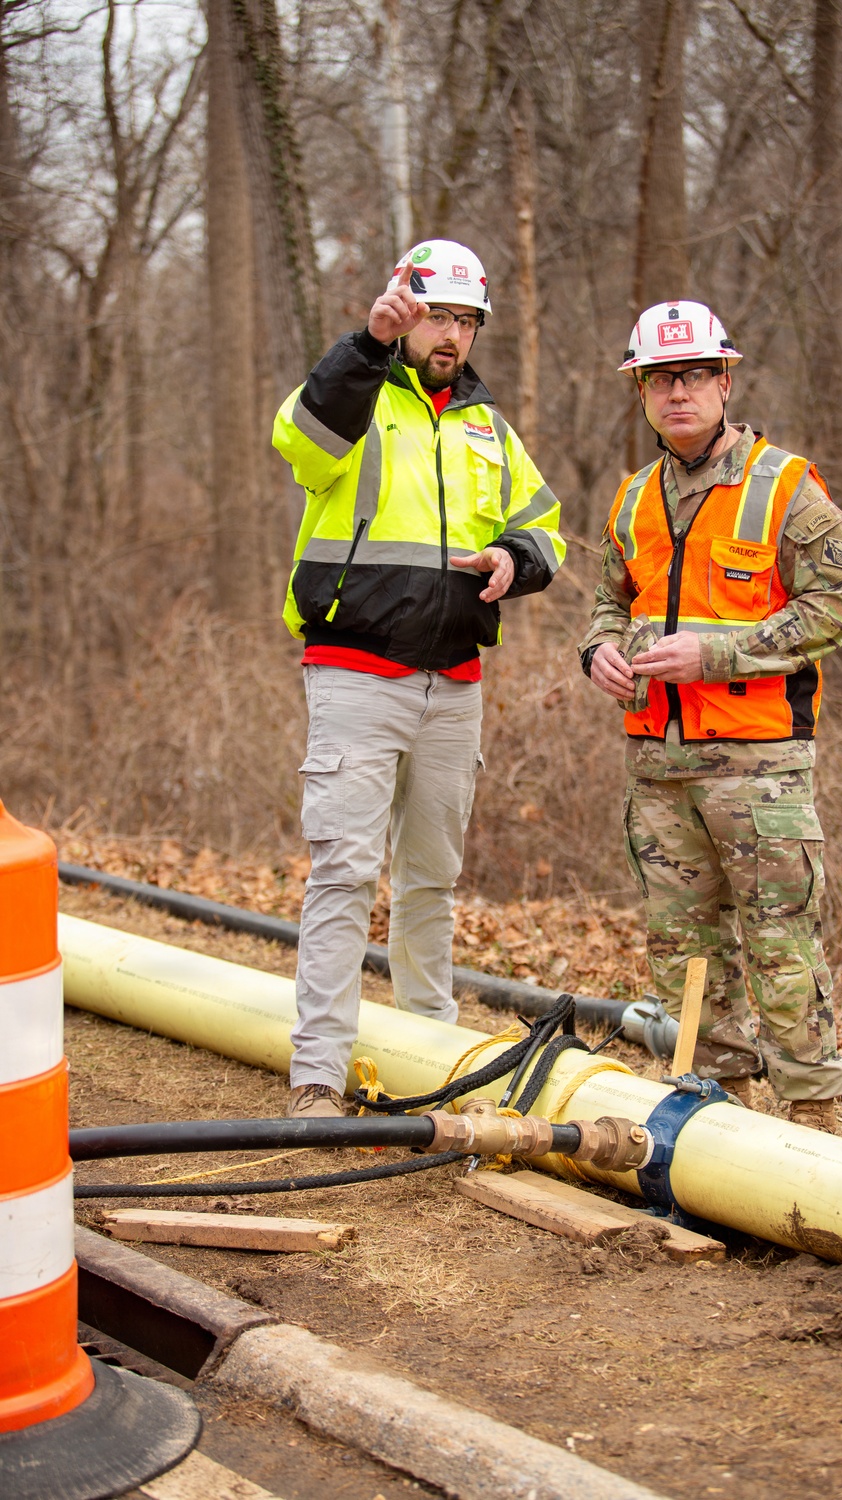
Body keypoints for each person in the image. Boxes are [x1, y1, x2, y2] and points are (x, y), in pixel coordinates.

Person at [274, 238, 564, 1118]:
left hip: (456, 683)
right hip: (358, 674)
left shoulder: (486, 428)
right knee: (345, 873)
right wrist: (365, 343)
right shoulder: (354, 397)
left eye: (466, 321)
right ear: (407, 314)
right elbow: (303, 439)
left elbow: (544, 526)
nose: (452, 335)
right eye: (439, 315)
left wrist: (517, 558)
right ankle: (318, 1077)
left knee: (433, 875)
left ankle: (430, 1049)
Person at [579, 300, 842, 1132]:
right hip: (659, 773)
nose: (678, 394)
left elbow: (836, 612)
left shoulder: (786, 486)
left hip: (759, 767)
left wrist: (718, 653)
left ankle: (817, 1133)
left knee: (782, 953)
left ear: (725, 380)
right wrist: (597, 652)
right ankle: (715, 1122)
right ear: (640, 390)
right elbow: (605, 604)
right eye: (661, 379)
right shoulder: (633, 498)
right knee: (687, 960)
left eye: (694, 375)